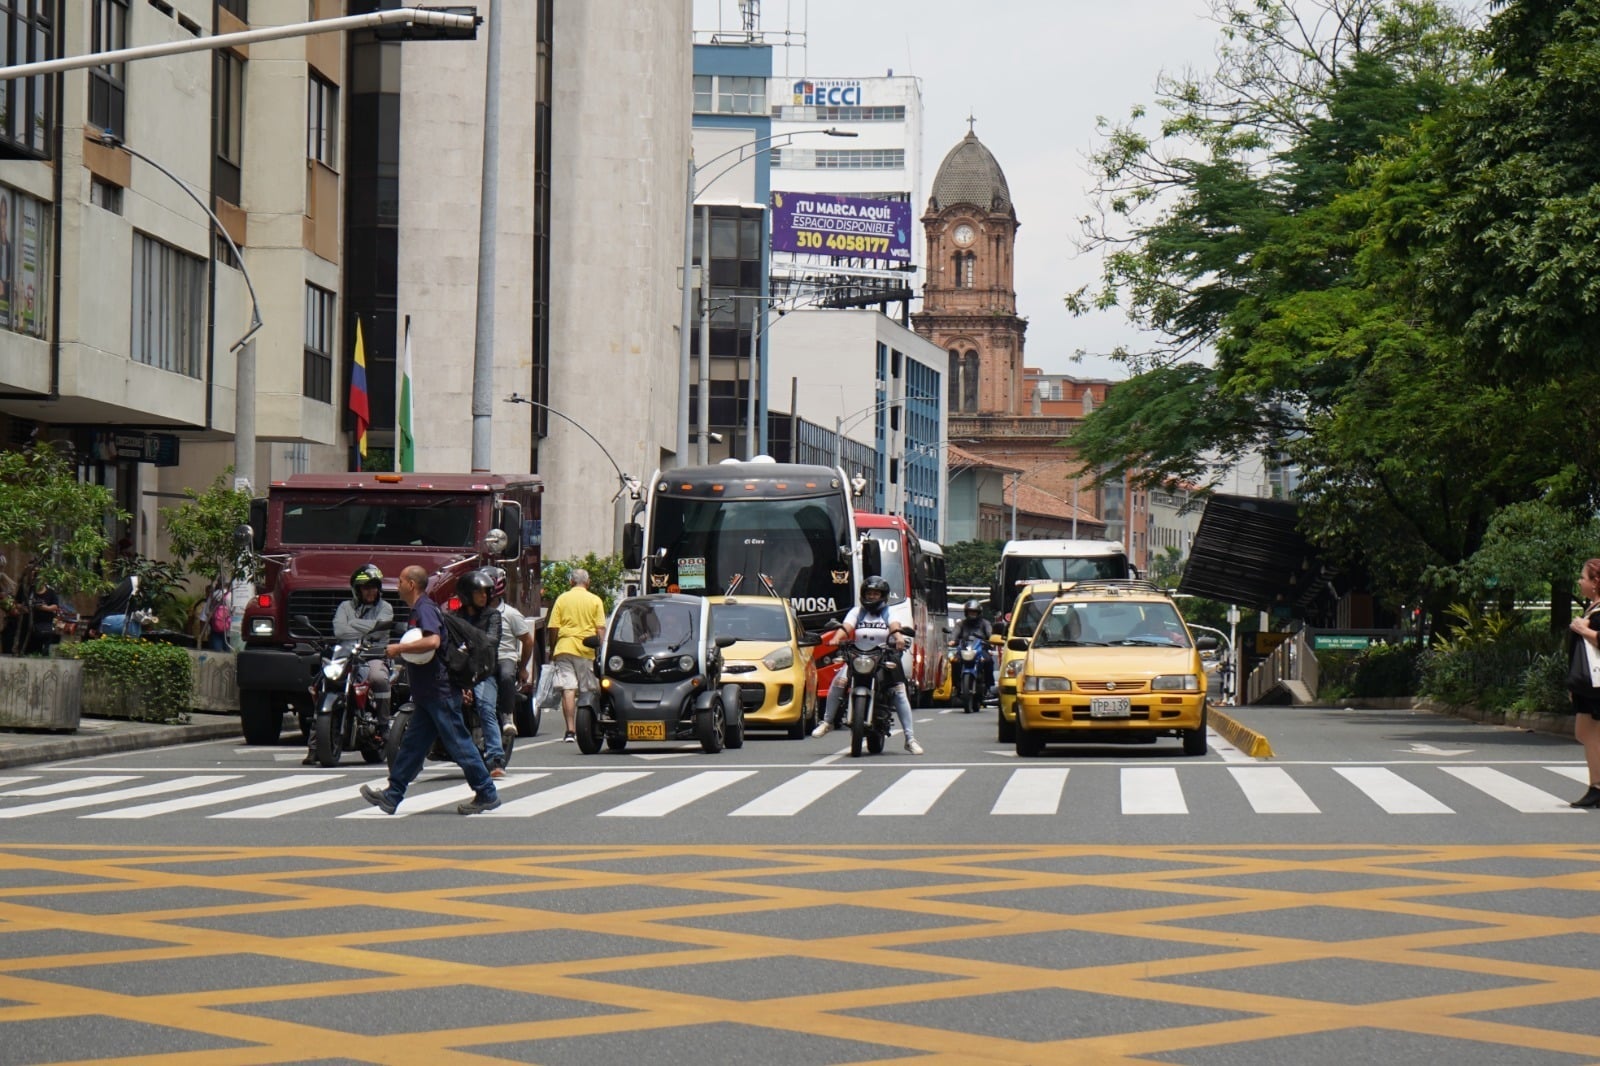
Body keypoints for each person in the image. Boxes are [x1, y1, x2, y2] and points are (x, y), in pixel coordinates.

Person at [362, 564, 499, 816]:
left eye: (400, 581)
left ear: (411, 584)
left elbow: (433, 641)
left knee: (459, 744)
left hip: (439, 691)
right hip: (428, 693)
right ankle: (392, 795)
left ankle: (486, 791)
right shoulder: (421, 608)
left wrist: (398, 649)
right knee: (412, 747)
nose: (397, 586)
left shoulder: (424, 608)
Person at [811, 575, 923, 755]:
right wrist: (836, 639)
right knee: (838, 681)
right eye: (869, 593)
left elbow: (894, 627)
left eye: (876, 594)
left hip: (883, 655)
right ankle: (827, 722)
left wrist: (899, 638)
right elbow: (846, 627)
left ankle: (910, 739)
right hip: (858, 655)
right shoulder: (857, 612)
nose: (872, 597)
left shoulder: (889, 612)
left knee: (899, 691)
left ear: (883, 596)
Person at [306, 564, 394, 766]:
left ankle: (383, 727)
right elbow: (340, 631)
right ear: (357, 589)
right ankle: (314, 746)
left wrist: (352, 624)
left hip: (372, 655)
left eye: (374, 587)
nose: (371, 591)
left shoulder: (385, 608)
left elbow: (380, 631)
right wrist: (367, 628)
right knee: (321, 684)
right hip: (345, 655)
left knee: (379, 677)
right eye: (366, 587)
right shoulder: (344, 607)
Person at [453, 569, 505, 776]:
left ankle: (496, 758)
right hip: (458, 671)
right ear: (467, 594)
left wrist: (469, 644)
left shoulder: (492, 616)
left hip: (483, 671)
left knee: (485, 707)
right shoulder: (454, 617)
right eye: (478, 592)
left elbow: (491, 640)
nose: (484, 596)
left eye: (486, 592)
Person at [546, 567, 606, 743]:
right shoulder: (595, 600)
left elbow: (553, 627)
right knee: (588, 689)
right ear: (588, 582)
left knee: (568, 688)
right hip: (586, 649)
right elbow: (600, 628)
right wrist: (601, 649)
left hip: (564, 648)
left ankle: (570, 730)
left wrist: (553, 647)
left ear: (571, 582)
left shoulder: (562, 599)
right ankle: (588, 726)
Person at [483, 567, 536, 741]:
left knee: (506, 676)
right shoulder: (474, 613)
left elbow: (528, 641)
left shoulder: (511, 614)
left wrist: (523, 668)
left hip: (504, 657)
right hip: (481, 658)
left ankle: (507, 715)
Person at [1568, 558, 1600, 808]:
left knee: (1589, 733)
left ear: (1595, 582)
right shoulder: (1593, 608)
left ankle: (1597, 787)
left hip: (1596, 684)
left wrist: (1583, 630)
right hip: (1589, 683)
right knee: (1586, 732)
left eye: (1583, 577)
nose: (1579, 581)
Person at [949, 598, 994, 700]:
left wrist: (991, 640)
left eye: (974, 612)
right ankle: (956, 686)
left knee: (988, 661)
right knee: (955, 661)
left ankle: (988, 687)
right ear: (966, 612)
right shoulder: (961, 624)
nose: (972, 614)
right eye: (970, 612)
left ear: (979, 613)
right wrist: (952, 640)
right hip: (964, 649)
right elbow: (955, 634)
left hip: (980, 648)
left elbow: (990, 634)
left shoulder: (985, 623)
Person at [27, 576, 62, 657]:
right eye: (37, 580)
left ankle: (45, 655)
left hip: (46, 623)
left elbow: (55, 606)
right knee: (34, 646)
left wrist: (44, 608)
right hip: (32, 622)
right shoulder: (31, 591)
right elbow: (23, 604)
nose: (39, 582)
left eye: (41, 580)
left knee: (46, 644)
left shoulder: (51, 592)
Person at [203, 579, 232, 652]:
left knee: (216, 651)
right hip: (227, 627)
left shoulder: (213, 595)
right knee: (228, 649)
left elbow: (207, 611)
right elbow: (231, 611)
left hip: (215, 626)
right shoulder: (229, 595)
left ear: (218, 584)